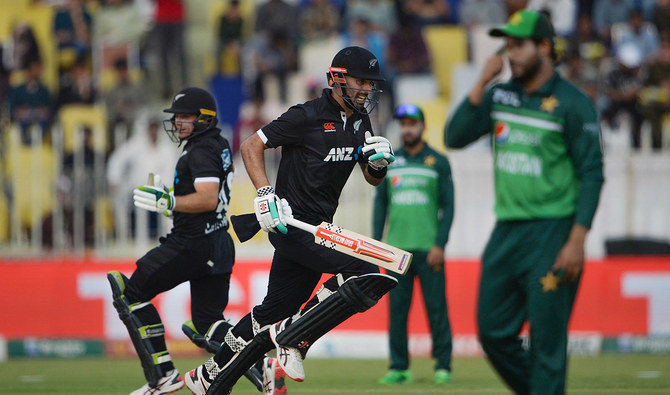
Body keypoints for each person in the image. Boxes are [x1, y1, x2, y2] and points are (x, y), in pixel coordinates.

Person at [184, 46, 398, 395]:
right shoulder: (305, 115)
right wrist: (265, 193)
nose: (367, 89)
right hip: (290, 225)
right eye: (361, 81)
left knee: (271, 312)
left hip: (318, 227)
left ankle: (208, 375)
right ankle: (296, 339)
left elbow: (371, 177)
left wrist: (378, 165)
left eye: (371, 83)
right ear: (337, 79)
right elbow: (252, 145)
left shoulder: (361, 121)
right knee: (362, 270)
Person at [444, 10, 604, 395]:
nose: (510, 54)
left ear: (545, 47)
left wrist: (577, 240)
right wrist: (482, 80)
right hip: (507, 230)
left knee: (548, 342)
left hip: (553, 231)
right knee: (492, 331)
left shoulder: (572, 103)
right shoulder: (501, 94)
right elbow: (455, 135)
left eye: (519, 45)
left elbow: (593, 174)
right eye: (507, 45)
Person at [107, 87, 261, 394]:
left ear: (204, 119)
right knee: (206, 324)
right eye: (176, 117)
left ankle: (163, 376)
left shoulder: (201, 150)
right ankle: (261, 365)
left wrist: (170, 202)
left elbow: (206, 198)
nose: (177, 122)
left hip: (192, 242)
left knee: (129, 293)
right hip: (217, 243)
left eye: (185, 117)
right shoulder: (215, 144)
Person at [375, 103, 454, 385]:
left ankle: (443, 365)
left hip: (429, 250)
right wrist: (378, 247)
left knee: (437, 310)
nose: (407, 129)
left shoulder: (438, 162)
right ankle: (399, 366)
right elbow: (380, 204)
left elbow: (449, 207)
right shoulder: (390, 161)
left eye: (412, 124)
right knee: (397, 312)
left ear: (422, 126)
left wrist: (440, 244)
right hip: (396, 253)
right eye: (403, 124)